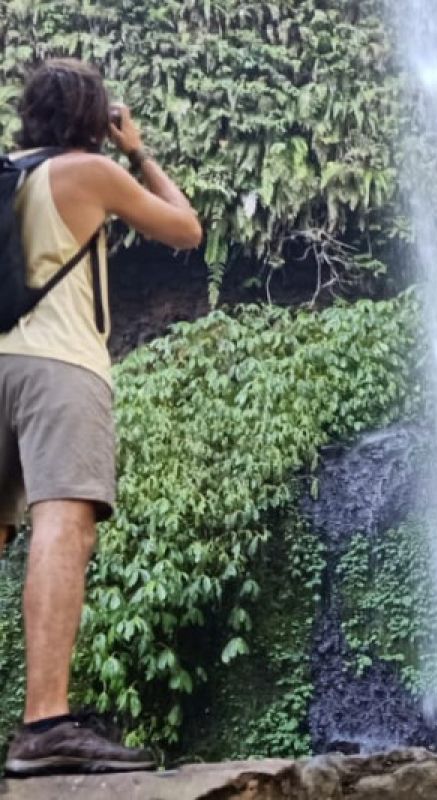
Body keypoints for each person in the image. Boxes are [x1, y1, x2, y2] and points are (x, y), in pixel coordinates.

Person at [0, 58, 202, 776]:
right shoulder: (88, 170)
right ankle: (45, 725)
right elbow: (186, 230)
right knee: (63, 520)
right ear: (93, 116)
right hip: (58, 365)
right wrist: (137, 150)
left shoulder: (8, 171)